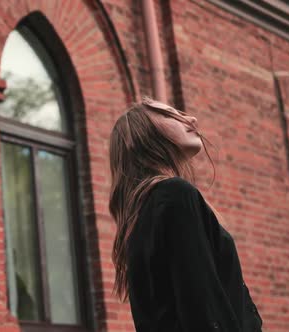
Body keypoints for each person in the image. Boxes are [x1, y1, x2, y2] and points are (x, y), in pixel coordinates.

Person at [108, 98, 263, 331]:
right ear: (143, 133)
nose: (191, 119)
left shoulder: (144, 215)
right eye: (171, 115)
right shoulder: (174, 195)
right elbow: (204, 311)